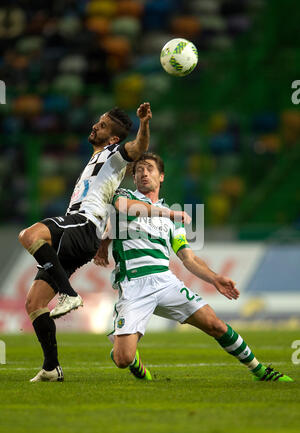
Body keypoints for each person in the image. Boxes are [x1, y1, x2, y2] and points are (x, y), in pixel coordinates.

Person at [94, 152, 293, 383]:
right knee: (122, 359)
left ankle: (260, 370)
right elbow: (121, 211)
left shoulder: (172, 220)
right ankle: (131, 356)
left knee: (215, 324)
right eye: (138, 170)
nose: (143, 173)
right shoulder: (125, 196)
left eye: (149, 168)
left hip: (165, 281)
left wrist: (215, 278)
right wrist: (105, 241)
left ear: (162, 177)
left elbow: (187, 258)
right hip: (134, 285)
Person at [18, 103, 155, 382]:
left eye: (103, 125)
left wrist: (144, 123)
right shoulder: (98, 157)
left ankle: (70, 294)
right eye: (99, 122)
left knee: (28, 235)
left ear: (114, 138)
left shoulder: (113, 154)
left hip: (83, 224)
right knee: (34, 303)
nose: (95, 126)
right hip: (79, 232)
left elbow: (137, 148)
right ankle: (51, 368)